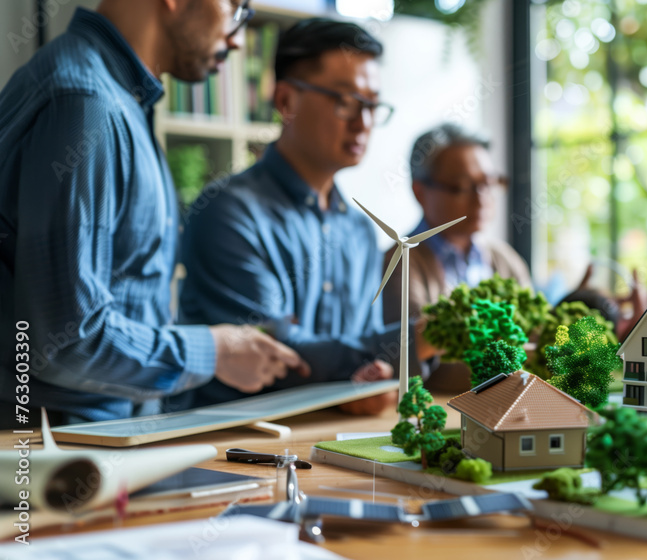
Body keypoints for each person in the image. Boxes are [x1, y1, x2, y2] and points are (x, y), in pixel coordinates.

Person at [0, 0, 309, 425]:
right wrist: (213, 351)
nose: (237, 39)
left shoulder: (119, 100)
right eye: (235, 7)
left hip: (103, 442)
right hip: (55, 464)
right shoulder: (85, 103)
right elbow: (66, 340)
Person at [174, 19, 433, 416]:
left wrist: (374, 372)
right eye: (346, 101)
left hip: (330, 439)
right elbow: (274, 353)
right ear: (286, 101)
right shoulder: (228, 212)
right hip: (235, 444)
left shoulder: (360, 230)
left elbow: (356, 355)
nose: (363, 122)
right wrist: (412, 342)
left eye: (372, 105)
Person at [382, 124, 531, 391]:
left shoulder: (506, 260)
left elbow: (534, 332)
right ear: (420, 191)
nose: (481, 198)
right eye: (462, 186)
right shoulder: (400, 263)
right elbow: (424, 362)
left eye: (488, 183)